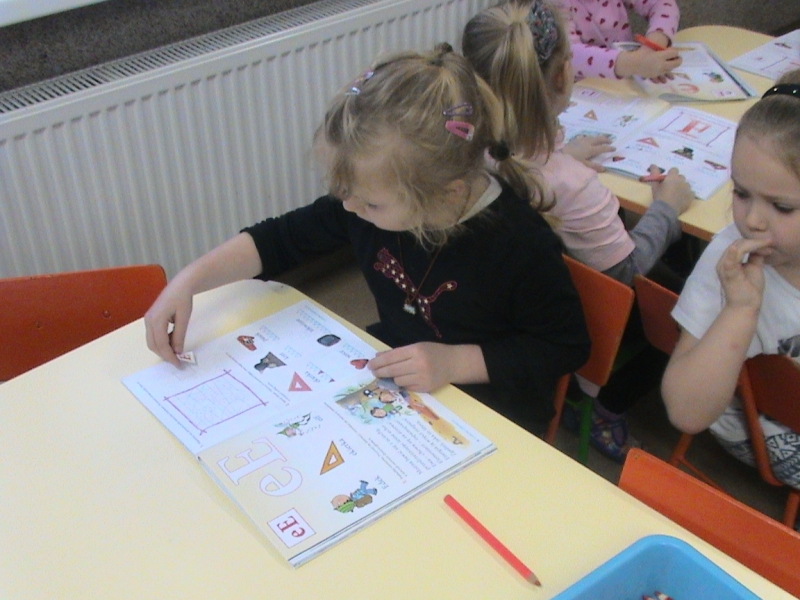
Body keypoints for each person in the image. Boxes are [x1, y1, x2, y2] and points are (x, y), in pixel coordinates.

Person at [144, 44, 591, 438]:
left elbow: (564, 345)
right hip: (396, 382)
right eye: (345, 192)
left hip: (493, 412)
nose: (349, 206)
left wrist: (454, 362)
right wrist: (189, 280)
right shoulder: (368, 202)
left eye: (369, 202)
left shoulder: (519, 245)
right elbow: (279, 239)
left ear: (447, 194)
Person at [462, 0, 693, 461]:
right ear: (564, 75)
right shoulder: (573, 186)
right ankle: (608, 407)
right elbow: (627, 271)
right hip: (575, 324)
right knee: (687, 312)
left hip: (500, 311)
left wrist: (562, 154)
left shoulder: (470, 147)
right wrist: (667, 210)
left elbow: (529, 166)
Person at [662, 69, 800, 494]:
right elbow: (685, 411)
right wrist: (741, 309)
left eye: (781, 206)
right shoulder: (730, 263)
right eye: (741, 194)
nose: (752, 220)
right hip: (765, 431)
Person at [552, 0, 682, 81]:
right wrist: (635, 63)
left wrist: (653, 46)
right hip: (577, 92)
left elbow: (663, 4)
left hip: (627, 79)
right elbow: (568, 54)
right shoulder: (551, 4)